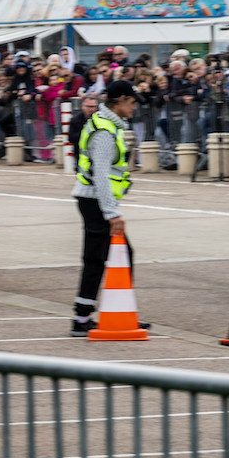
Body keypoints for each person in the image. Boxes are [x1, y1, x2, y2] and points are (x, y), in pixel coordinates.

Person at [70, 80, 148, 337]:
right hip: (94, 200)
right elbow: (101, 175)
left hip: (95, 200)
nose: (134, 108)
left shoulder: (108, 125)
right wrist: (112, 213)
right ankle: (84, 318)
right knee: (97, 258)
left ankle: (117, 311)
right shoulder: (104, 131)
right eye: (132, 102)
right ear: (121, 100)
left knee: (113, 255)